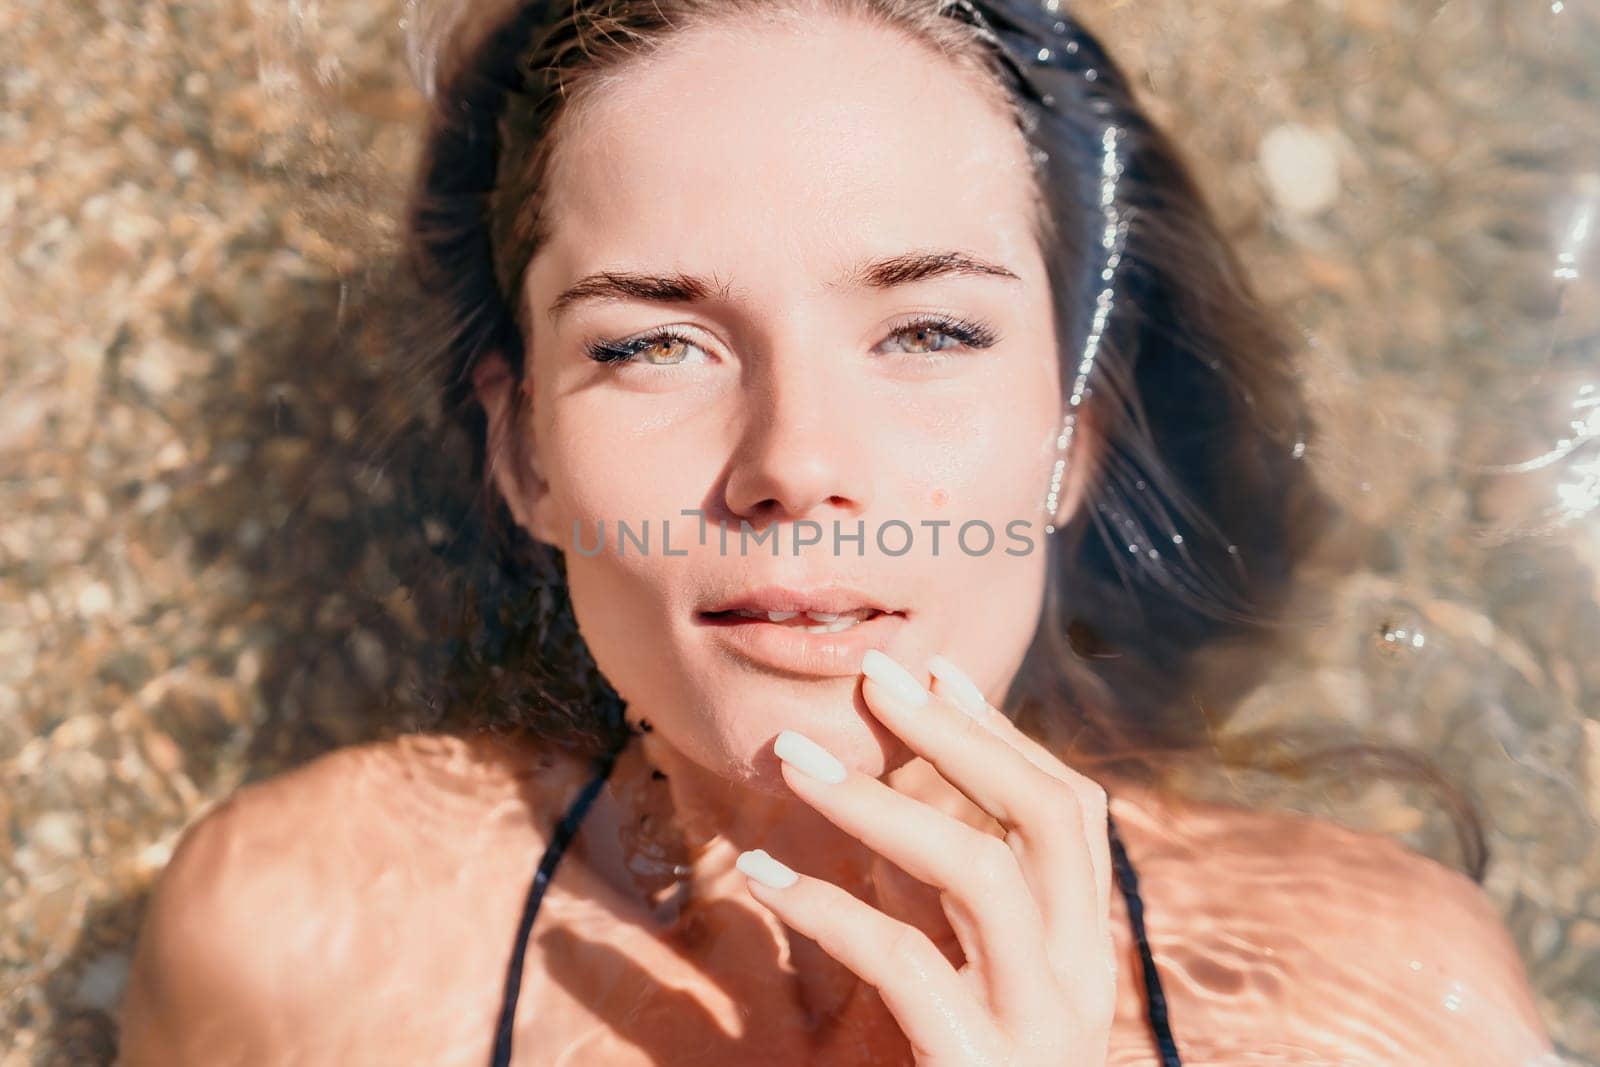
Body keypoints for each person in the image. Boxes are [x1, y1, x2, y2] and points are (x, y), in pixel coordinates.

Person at [118, 1, 1561, 1063]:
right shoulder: (295, 941)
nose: (796, 464)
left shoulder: (1381, 1002)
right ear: (524, 451)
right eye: (652, 345)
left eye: (928, 329)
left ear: (1081, 436)